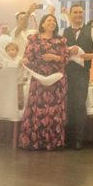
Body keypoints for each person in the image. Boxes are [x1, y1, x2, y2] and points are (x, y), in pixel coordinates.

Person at [19, 14, 68, 151]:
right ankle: (35, 142)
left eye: (54, 21)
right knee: (37, 109)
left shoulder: (61, 40)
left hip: (56, 80)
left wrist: (55, 57)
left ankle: (53, 142)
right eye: (49, 20)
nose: (52, 23)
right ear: (42, 24)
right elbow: (27, 56)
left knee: (54, 111)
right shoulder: (34, 39)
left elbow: (66, 58)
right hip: (39, 78)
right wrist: (25, 61)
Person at [63, 3, 93, 150]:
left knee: (79, 104)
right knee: (68, 104)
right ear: (70, 14)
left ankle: (78, 139)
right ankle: (67, 137)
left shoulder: (92, 31)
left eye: (81, 12)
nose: (79, 15)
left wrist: (88, 56)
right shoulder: (64, 31)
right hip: (66, 72)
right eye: (76, 12)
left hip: (82, 73)